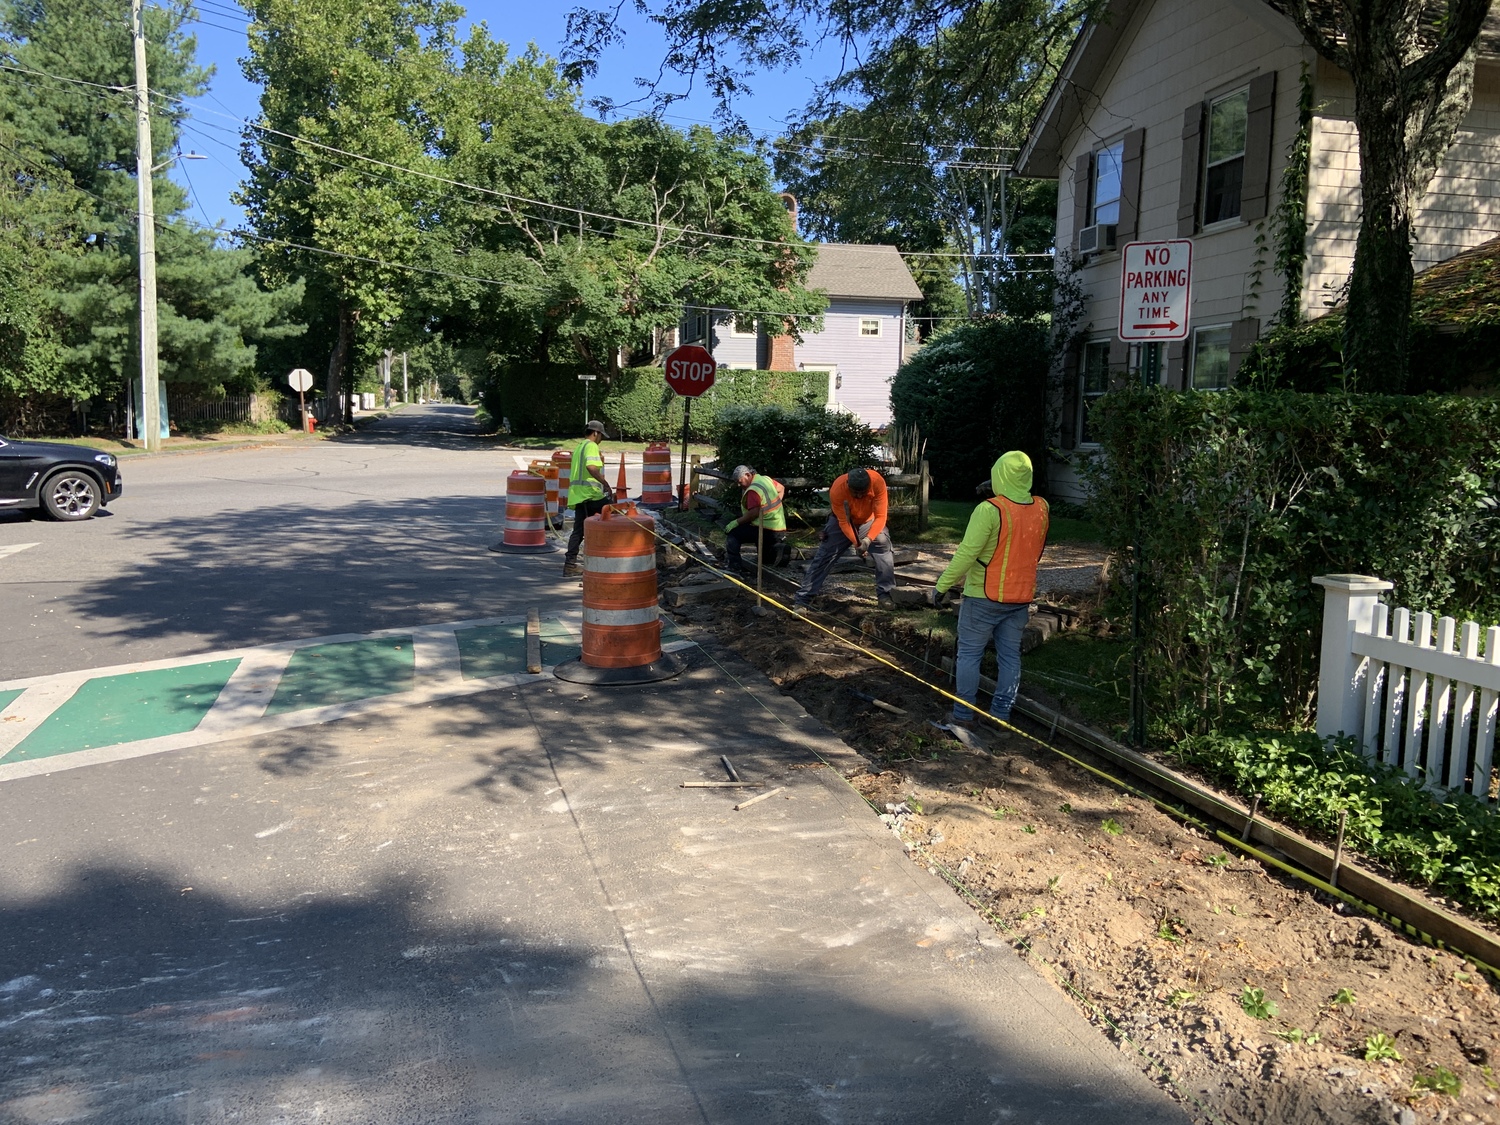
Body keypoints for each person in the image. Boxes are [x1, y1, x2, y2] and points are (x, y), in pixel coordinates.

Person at [930, 450, 1049, 731]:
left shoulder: (989, 510)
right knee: (1010, 658)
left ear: (999, 475)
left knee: (970, 656)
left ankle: (963, 715)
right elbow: (1035, 550)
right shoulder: (1041, 508)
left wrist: (942, 586)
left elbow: (966, 554)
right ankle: (1000, 717)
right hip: (1020, 598)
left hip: (984, 596)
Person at [793, 467, 895, 612]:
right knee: (825, 555)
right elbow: (844, 522)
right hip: (842, 522)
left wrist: (867, 541)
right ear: (848, 485)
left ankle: (886, 595)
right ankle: (803, 599)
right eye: (855, 493)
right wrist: (857, 543)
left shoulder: (877, 482)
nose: (859, 496)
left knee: (883, 547)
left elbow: (881, 517)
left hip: (869, 521)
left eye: (863, 493)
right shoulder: (838, 489)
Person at [562, 420, 615, 577]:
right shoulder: (592, 446)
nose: (601, 440)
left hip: (579, 496)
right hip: (590, 495)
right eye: (601, 436)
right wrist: (605, 483)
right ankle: (612, 559)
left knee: (579, 531)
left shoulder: (579, 446)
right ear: (596, 433)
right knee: (613, 519)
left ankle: (570, 565)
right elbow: (591, 468)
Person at [723, 464, 788, 576]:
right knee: (764, 559)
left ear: (748, 475)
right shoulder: (765, 479)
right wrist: (776, 505)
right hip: (778, 527)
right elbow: (781, 488)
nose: (739, 485)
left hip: (764, 527)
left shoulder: (753, 490)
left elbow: (753, 513)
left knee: (733, 535)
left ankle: (734, 567)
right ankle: (778, 549)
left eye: (740, 481)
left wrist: (736, 522)